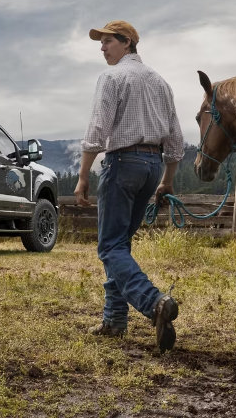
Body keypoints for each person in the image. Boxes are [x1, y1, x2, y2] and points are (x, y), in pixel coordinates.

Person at [74, 20, 185, 353]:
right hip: (152, 167)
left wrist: (82, 176)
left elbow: (97, 130)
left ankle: (154, 303)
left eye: (107, 41)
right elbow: (176, 139)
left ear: (127, 43)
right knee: (120, 243)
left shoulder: (112, 78)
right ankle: (114, 320)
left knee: (110, 247)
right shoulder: (161, 83)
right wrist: (166, 179)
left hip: (123, 163)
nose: (102, 47)